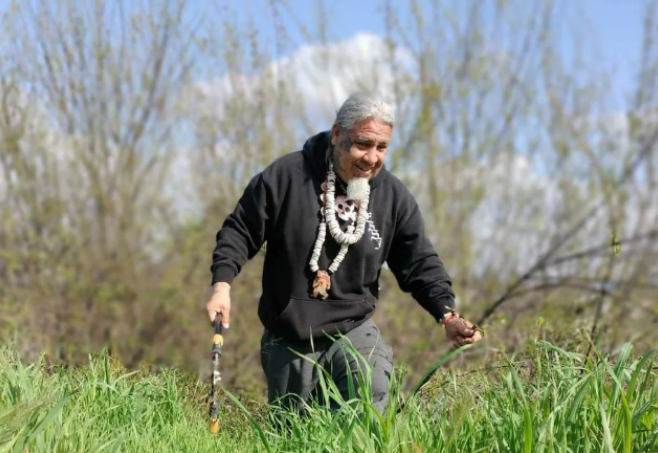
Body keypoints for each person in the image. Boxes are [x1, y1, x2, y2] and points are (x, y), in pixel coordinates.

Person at [206, 93, 481, 413]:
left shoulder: (393, 197)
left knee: (370, 396)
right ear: (337, 134)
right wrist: (221, 285)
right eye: (363, 144)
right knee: (293, 439)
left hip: (354, 326)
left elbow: (419, 262)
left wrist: (446, 313)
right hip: (291, 332)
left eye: (382, 148)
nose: (372, 158)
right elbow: (240, 230)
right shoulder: (287, 176)